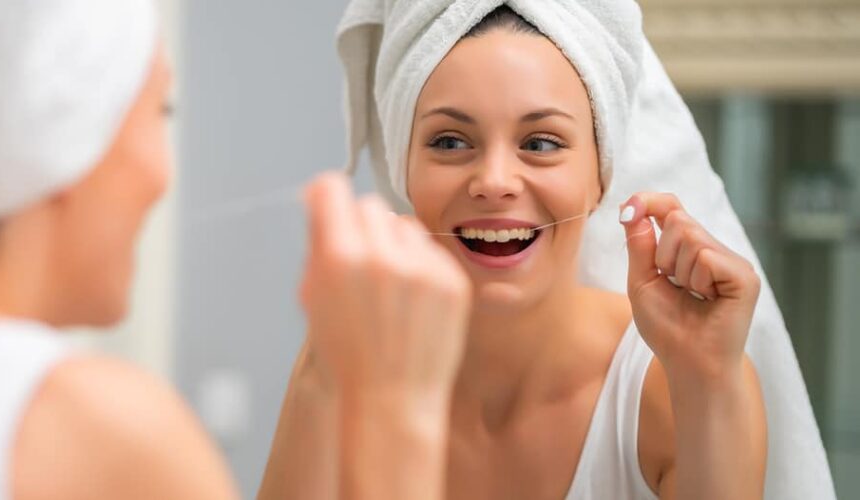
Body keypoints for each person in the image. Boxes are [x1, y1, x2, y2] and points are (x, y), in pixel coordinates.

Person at [261, 2, 833, 499]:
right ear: (405, 172)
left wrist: (708, 382)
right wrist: (326, 366)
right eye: (450, 141)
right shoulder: (349, 372)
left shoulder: (668, 389)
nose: (494, 181)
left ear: (600, 178)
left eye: (540, 143)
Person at [0, 0, 473, 498]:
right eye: (161, 110)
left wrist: (329, 376)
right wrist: (397, 408)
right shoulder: (104, 432)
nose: (162, 178)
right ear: (62, 130)